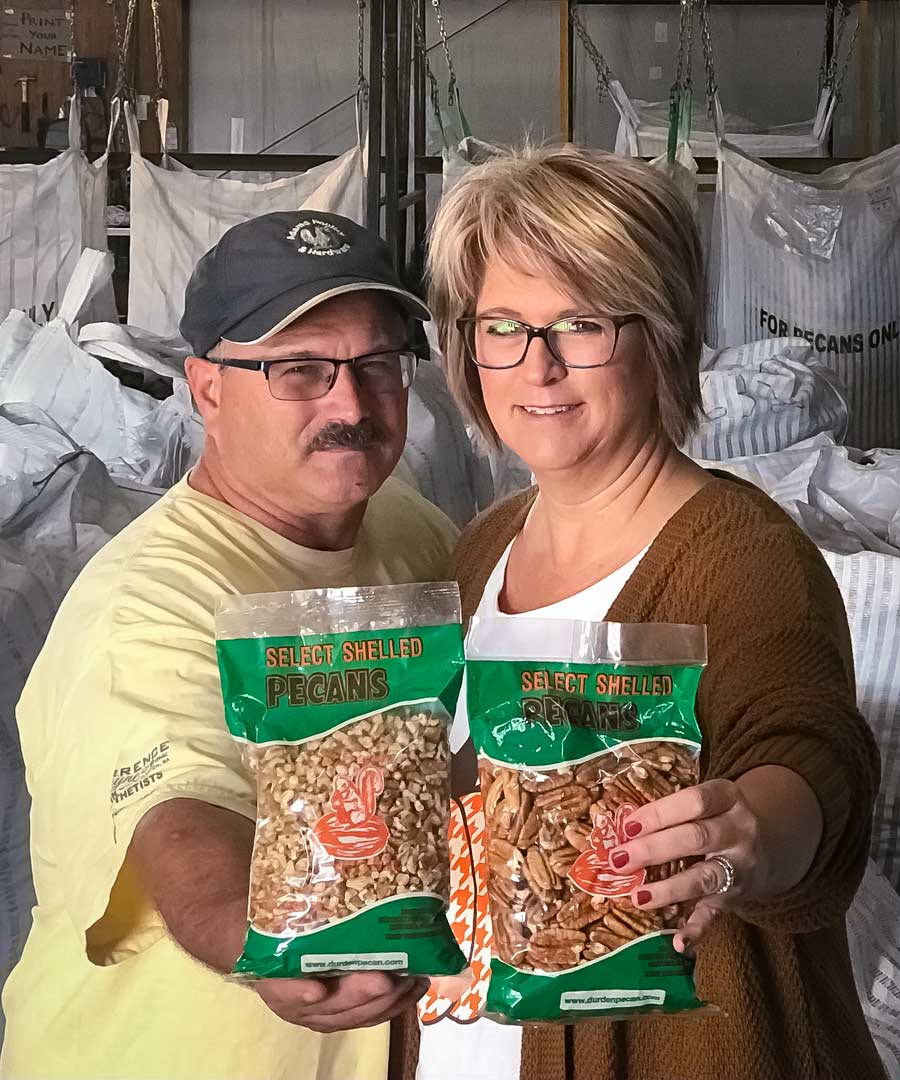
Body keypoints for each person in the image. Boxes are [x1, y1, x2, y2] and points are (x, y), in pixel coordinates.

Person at [402, 146, 885, 1080]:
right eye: (502, 326)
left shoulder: (744, 559)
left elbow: (808, 742)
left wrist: (753, 830)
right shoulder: (482, 548)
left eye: (580, 324)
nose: (536, 367)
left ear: (659, 335)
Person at [0, 211, 452, 1080]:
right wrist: (265, 944)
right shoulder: (150, 605)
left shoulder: (409, 530)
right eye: (300, 370)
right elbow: (178, 818)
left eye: (376, 366)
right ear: (207, 389)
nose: (349, 405)